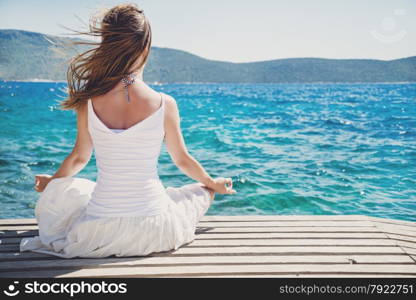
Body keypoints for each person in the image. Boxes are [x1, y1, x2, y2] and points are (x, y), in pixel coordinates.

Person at [20, 3, 236, 258]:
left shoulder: (88, 101)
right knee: (199, 192)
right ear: (146, 47)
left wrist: (52, 184)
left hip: (98, 230)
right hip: (156, 229)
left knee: (74, 190)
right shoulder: (165, 104)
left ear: (106, 45)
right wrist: (213, 184)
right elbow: (182, 160)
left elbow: (79, 158)